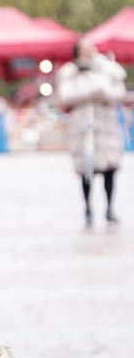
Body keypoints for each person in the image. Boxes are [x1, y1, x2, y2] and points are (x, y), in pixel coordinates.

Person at [56, 38, 127, 228]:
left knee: (110, 168)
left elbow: (116, 92)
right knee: (86, 171)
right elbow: (66, 96)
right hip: (82, 127)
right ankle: (88, 208)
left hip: (106, 125)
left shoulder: (108, 68)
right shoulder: (70, 72)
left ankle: (109, 209)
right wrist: (96, 91)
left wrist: (96, 92)